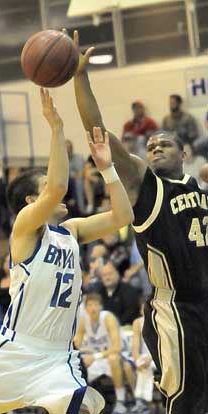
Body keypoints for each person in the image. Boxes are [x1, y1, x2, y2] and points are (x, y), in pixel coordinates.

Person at [0, 88, 134, 414]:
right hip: (16, 349)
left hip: (57, 356)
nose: (55, 191)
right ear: (31, 202)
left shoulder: (71, 231)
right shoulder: (26, 227)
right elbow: (57, 187)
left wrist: (108, 170)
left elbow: (123, 217)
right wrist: (56, 129)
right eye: (43, 188)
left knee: (81, 409)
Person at [73, 29, 208, 414]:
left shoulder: (199, 189)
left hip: (206, 302)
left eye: (163, 144)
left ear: (184, 152)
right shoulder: (144, 185)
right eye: (150, 146)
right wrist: (80, 79)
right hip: (175, 308)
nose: (153, 148)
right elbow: (97, 131)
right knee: (185, 401)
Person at [74, 293, 135, 414]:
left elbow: (117, 348)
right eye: (90, 305)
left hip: (120, 355)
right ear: (85, 308)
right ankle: (83, 403)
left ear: (101, 307)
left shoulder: (108, 318)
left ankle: (121, 401)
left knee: (113, 358)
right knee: (78, 363)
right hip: (98, 357)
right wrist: (85, 352)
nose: (93, 308)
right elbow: (76, 346)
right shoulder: (83, 320)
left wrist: (95, 356)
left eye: (96, 305)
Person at [131, 304, 154, 414]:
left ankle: (142, 401)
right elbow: (135, 346)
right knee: (143, 367)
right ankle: (144, 402)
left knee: (146, 367)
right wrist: (137, 361)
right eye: (143, 308)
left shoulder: (161, 321)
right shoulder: (137, 322)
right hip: (143, 357)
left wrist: (150, 358)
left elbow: (163, 346)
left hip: (159, 358)